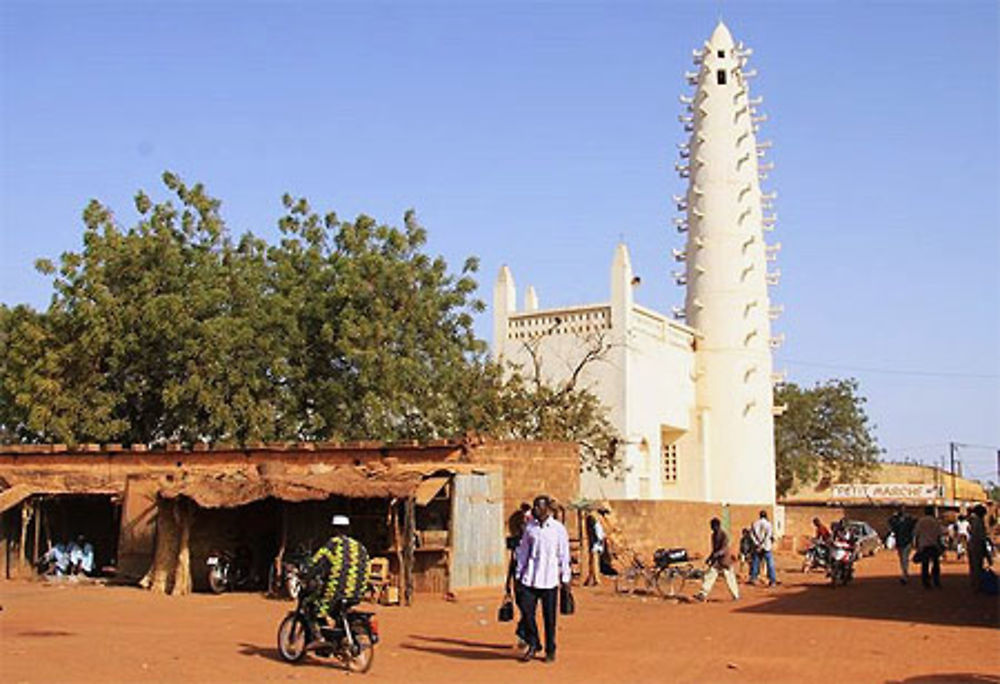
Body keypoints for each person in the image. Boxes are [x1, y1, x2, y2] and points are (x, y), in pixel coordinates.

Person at [514, 495, 571, 664]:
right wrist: (518, 573)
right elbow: (523, 551)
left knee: (549, 618)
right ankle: (533, 643)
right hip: (530, 578)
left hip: (550, 579)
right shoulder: (530, 528)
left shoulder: (558, 529)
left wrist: (565, 577)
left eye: (539, 507)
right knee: (527, 612)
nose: (536, 510)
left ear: (547, 509)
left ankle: (550, 649)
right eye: (535, 507)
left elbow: (563, 554)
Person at [303, 515, 371, 642]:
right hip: (357, 593)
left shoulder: (332, 545)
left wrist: (306, 574)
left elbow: (316, 563)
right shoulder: (360, 546)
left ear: (333, 529)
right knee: (338, 610)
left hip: (336, 592)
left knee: (310, 604)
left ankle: (319, 638)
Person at [694, 518, 739, 602]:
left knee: (730, 578)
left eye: (712, 526)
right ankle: (703, 594)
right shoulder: (713, 535)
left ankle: (735, 595)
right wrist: (710, 558)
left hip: (725, 560)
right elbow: (714, 549)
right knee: (710, 575)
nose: (711, 528)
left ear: (717, 526)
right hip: (717, 561)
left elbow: (725, 548)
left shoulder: (724, 535)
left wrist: (717, 554)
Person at [913, 506, 943, 589]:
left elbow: (916, 534)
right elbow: (939, 535)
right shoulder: (935, 522)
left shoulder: (921, 521)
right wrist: (940, 545)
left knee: (925, 564)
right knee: (936, 564)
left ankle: (926, 582)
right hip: (934, 545)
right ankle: (936, 581)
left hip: (924, 545)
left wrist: (917, 546)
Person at [888, 507, 916, 584]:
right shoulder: (896, 521)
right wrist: (894, 517)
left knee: (904, 558)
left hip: (907, 542)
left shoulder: (909, 520)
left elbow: (914, 523)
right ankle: (905, 573)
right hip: (900, 543)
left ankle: (904, 575)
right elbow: (891, 524)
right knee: (902, 559)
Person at [749, 510, 777, 587]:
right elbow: (769, 535)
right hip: (766, 546)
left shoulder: (755, 524)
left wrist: (757, 544)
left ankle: (753, 578)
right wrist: (764, 544)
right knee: (770, 564)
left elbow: (752, 535)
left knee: (756, 562)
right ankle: (772, 580)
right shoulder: (768, 524)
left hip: (757, 547)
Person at [968, 504, 990, 592]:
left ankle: (975, 584)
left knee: (974, 567)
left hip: (973, 545)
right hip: (977, 546)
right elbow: (981, 537)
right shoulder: (978, 522)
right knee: (977, 566)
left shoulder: (973, 521)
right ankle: (977, 586)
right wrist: (986, 551)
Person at [583, 512, 606, 586]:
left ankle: (596, 579)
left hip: (595, 545)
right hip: (595, 545)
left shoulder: (594, 522)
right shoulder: (597, 523)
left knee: (594, 562)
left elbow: (599, 535)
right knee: (593, 562)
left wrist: (597, 543)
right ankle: (591, 579)